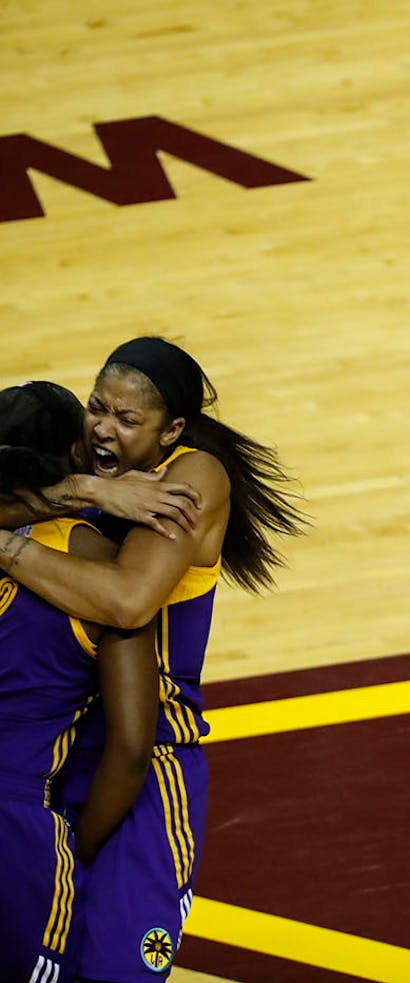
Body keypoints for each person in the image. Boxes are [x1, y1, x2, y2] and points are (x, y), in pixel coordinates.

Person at [0, 338, 307, 980]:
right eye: (96, 408)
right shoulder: (86, 459)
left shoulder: (195, 478)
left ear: (171, 431)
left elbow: (130, 603)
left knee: (111, 968)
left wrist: (9, 548)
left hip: (150, 753)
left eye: (127, 420)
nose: (103, 429)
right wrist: (80, 488)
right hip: (66, 747)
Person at [0, 381, 158, 983]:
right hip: (19, 827)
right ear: (74, 453)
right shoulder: (99, 563)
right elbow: (131, 744)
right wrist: (80, 846)